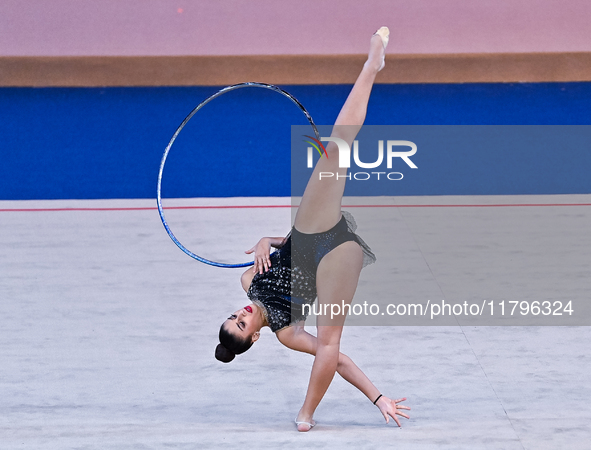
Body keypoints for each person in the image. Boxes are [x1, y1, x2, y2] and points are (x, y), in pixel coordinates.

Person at [215, 27, 410, 432]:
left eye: (232, 316)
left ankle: (371, 66)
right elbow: (335, 359)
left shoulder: (250, 279)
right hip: (336, 261)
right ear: (253, 338)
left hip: (312, 232)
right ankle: (306, 415)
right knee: (329, 343)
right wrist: (378, 396)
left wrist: (264, 240)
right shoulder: (287, 332)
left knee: (338, 146)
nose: (241, 314)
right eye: (240, 324)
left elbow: (283, 244)